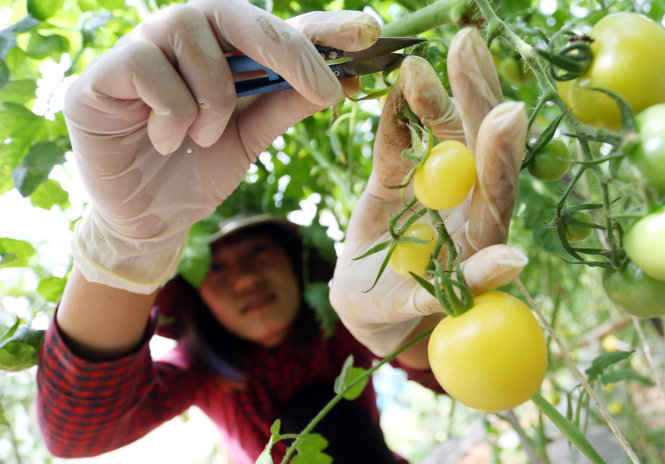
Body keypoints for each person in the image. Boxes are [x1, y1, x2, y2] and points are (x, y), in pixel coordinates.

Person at [36, 0, 530, 462]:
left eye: (255, 252)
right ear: (194, 301)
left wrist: (431, 323)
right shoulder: (202, 371)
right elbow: (76, 432)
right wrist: (130, 240)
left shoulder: (346, 322)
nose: (246, 280)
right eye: (216, 268)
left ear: (297, 262)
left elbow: (482, 380)